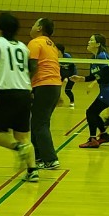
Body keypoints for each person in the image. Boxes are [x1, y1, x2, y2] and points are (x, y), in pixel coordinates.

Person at [0, 12, 39, 181]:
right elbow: (32, 68)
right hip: (24, 93)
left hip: (7, 92)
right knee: (23, 135)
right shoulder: (23, 47)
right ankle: (32, 170)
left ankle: (19, 148)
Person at [72, 33, 109, 148]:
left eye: (91, 40)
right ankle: (104, 135)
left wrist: (97, 80)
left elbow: (107, 75)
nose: (88, 42)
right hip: (106, 90)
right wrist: (82, 79)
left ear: (98, 44)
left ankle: (93, 139)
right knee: (94, 112)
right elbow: (93, 75)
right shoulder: (93, 59)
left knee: (90, 112)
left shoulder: (102, 56)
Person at [27, 17, 63, 170]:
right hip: (54, 85)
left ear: (39, 28)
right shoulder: (51, 45)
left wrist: (26, 86)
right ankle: (38, 157)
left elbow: (32, 66)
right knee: (38, 122)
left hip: (44, 85)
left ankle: (50, 159)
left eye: (34, 23)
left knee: (39, 123)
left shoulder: (35, 42)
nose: (32, 26)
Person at [58, 43, 77, 108]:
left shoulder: (67, 57)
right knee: (56, 88)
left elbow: (72, 68)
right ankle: (58, 101)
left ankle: (72, 101)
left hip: (72, 74)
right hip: (62, 74)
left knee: (67, 90)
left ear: (59, 51)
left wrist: (68, 77)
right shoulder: (55, 58)